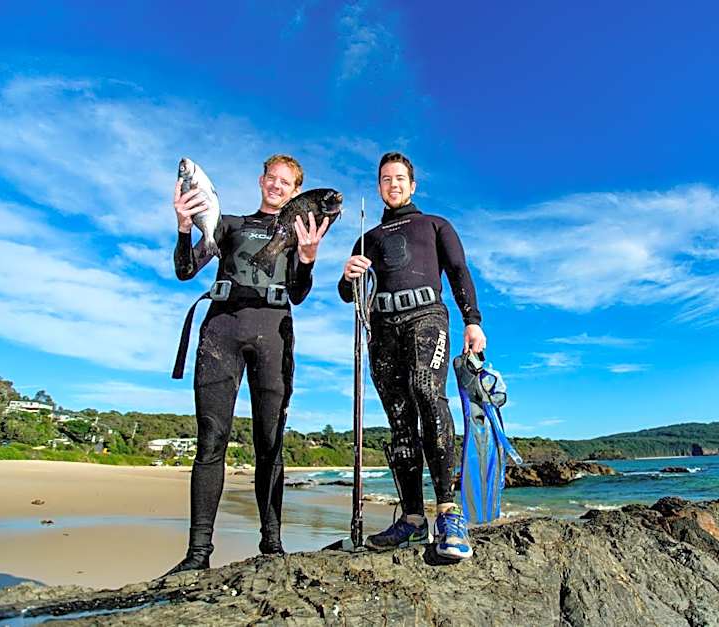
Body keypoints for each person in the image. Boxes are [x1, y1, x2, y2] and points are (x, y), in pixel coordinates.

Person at [166, 154, 330, 575]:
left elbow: (299, 293)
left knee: (270, 441)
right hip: (221, 329)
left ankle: (272, 544)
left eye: (285, 182)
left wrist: (308, 257)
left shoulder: (296, 233)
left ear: (296, 192)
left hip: (273, 333)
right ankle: (198, 552)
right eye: (271, 178)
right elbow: (186, 270)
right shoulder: (228, 224)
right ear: (261, 180)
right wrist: (185, 226)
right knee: (211, 439)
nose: (276, 186)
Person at [338, 152, 486, 560]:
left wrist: (473, 321)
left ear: (412, 184)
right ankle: (412, 518)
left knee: (426, 391)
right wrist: (348, 274)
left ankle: (449, 514)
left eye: (400, 178)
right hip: (382, 328)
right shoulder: (366, 239)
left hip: (426, 316)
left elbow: (458, 271)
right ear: (379, 186)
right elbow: (345, 294)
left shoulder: (435, 225)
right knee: (399, 419)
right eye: (385, 179)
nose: (393, 185)